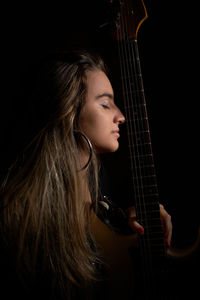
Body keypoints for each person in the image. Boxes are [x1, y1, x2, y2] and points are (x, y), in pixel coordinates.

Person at [0, 50, 172, 299]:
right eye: (105, 104)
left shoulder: (99, 184)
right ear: (68, 112)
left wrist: (131, 226)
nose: (121, 116)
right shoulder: (18, 214)